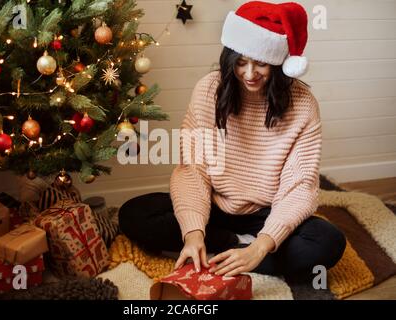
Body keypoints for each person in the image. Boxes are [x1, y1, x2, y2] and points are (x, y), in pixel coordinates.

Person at [119, 1, 346, 281]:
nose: (249, 74)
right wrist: (192, 234)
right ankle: (230, 247)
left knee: (328, 242)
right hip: (214, 206)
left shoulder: (303, 104)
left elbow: (299, 186)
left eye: (261, 63)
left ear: (276, 62)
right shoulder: (209, 89)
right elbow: (193, 170)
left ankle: (243, 255)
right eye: (240, 62)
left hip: (268, 211)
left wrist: (262, 244)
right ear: (230, 58)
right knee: (134, 214)